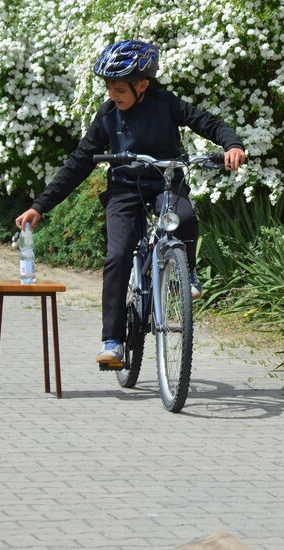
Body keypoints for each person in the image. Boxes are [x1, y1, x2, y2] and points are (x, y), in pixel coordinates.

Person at [13, 40, 247, 364]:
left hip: (165, 181)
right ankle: (113, 341)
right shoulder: (108, 114)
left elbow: (208, 123)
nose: (114, 95)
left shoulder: (166, 104)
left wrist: (232, 144)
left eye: (120, 89)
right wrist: (39, 205)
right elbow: (79, 162)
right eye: (110, 87)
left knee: (186, 217)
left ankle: (187, 274)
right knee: (119, 254)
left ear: (142, 85)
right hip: (124, 189)